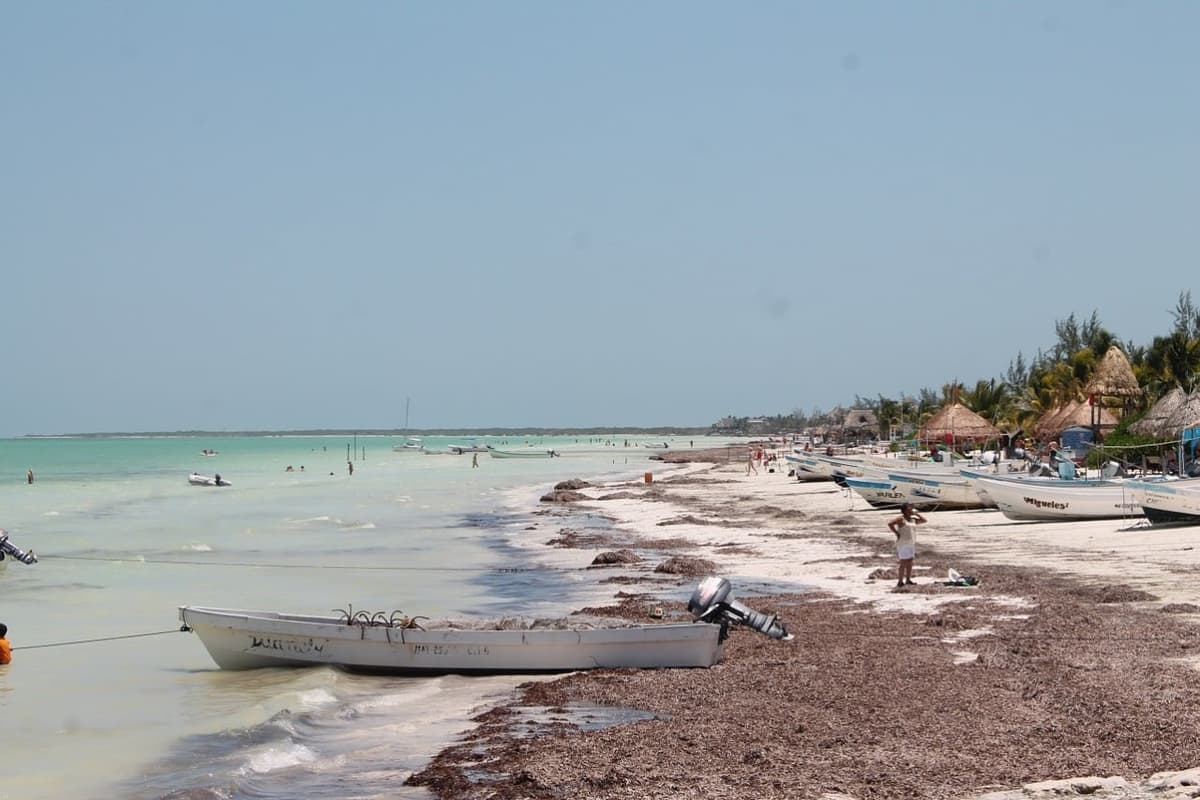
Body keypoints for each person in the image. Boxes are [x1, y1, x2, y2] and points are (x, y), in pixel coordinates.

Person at [888, 503, 927, 588]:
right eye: (910, 508)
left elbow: (924, 520)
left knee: (910, 561)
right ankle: (900, 581)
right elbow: (890, 524)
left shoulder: (912, 519)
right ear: (905, 510)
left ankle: (908, 580)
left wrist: (916, 514)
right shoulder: (901, 519)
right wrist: (896, 533)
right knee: (903, 562)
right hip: (903, 543)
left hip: (911, 543)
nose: (911, 509)